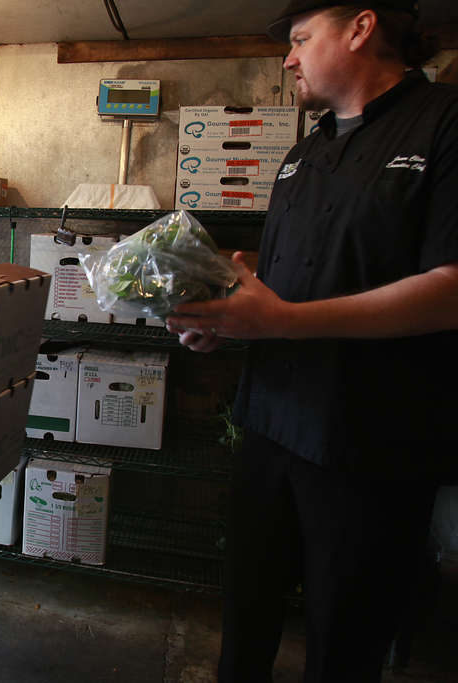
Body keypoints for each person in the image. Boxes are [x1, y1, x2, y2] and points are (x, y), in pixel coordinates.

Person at [165, 1, 458, 681]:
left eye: (300, 39)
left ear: (360, 28)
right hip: (269, 425)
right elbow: (287, 276)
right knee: (245, 620)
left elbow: (451, 285)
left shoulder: (444, 123)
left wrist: (280, 321)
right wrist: (225, 317)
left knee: (343, 641)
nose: (288, 59)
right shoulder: (303, 151)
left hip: (372, 445)